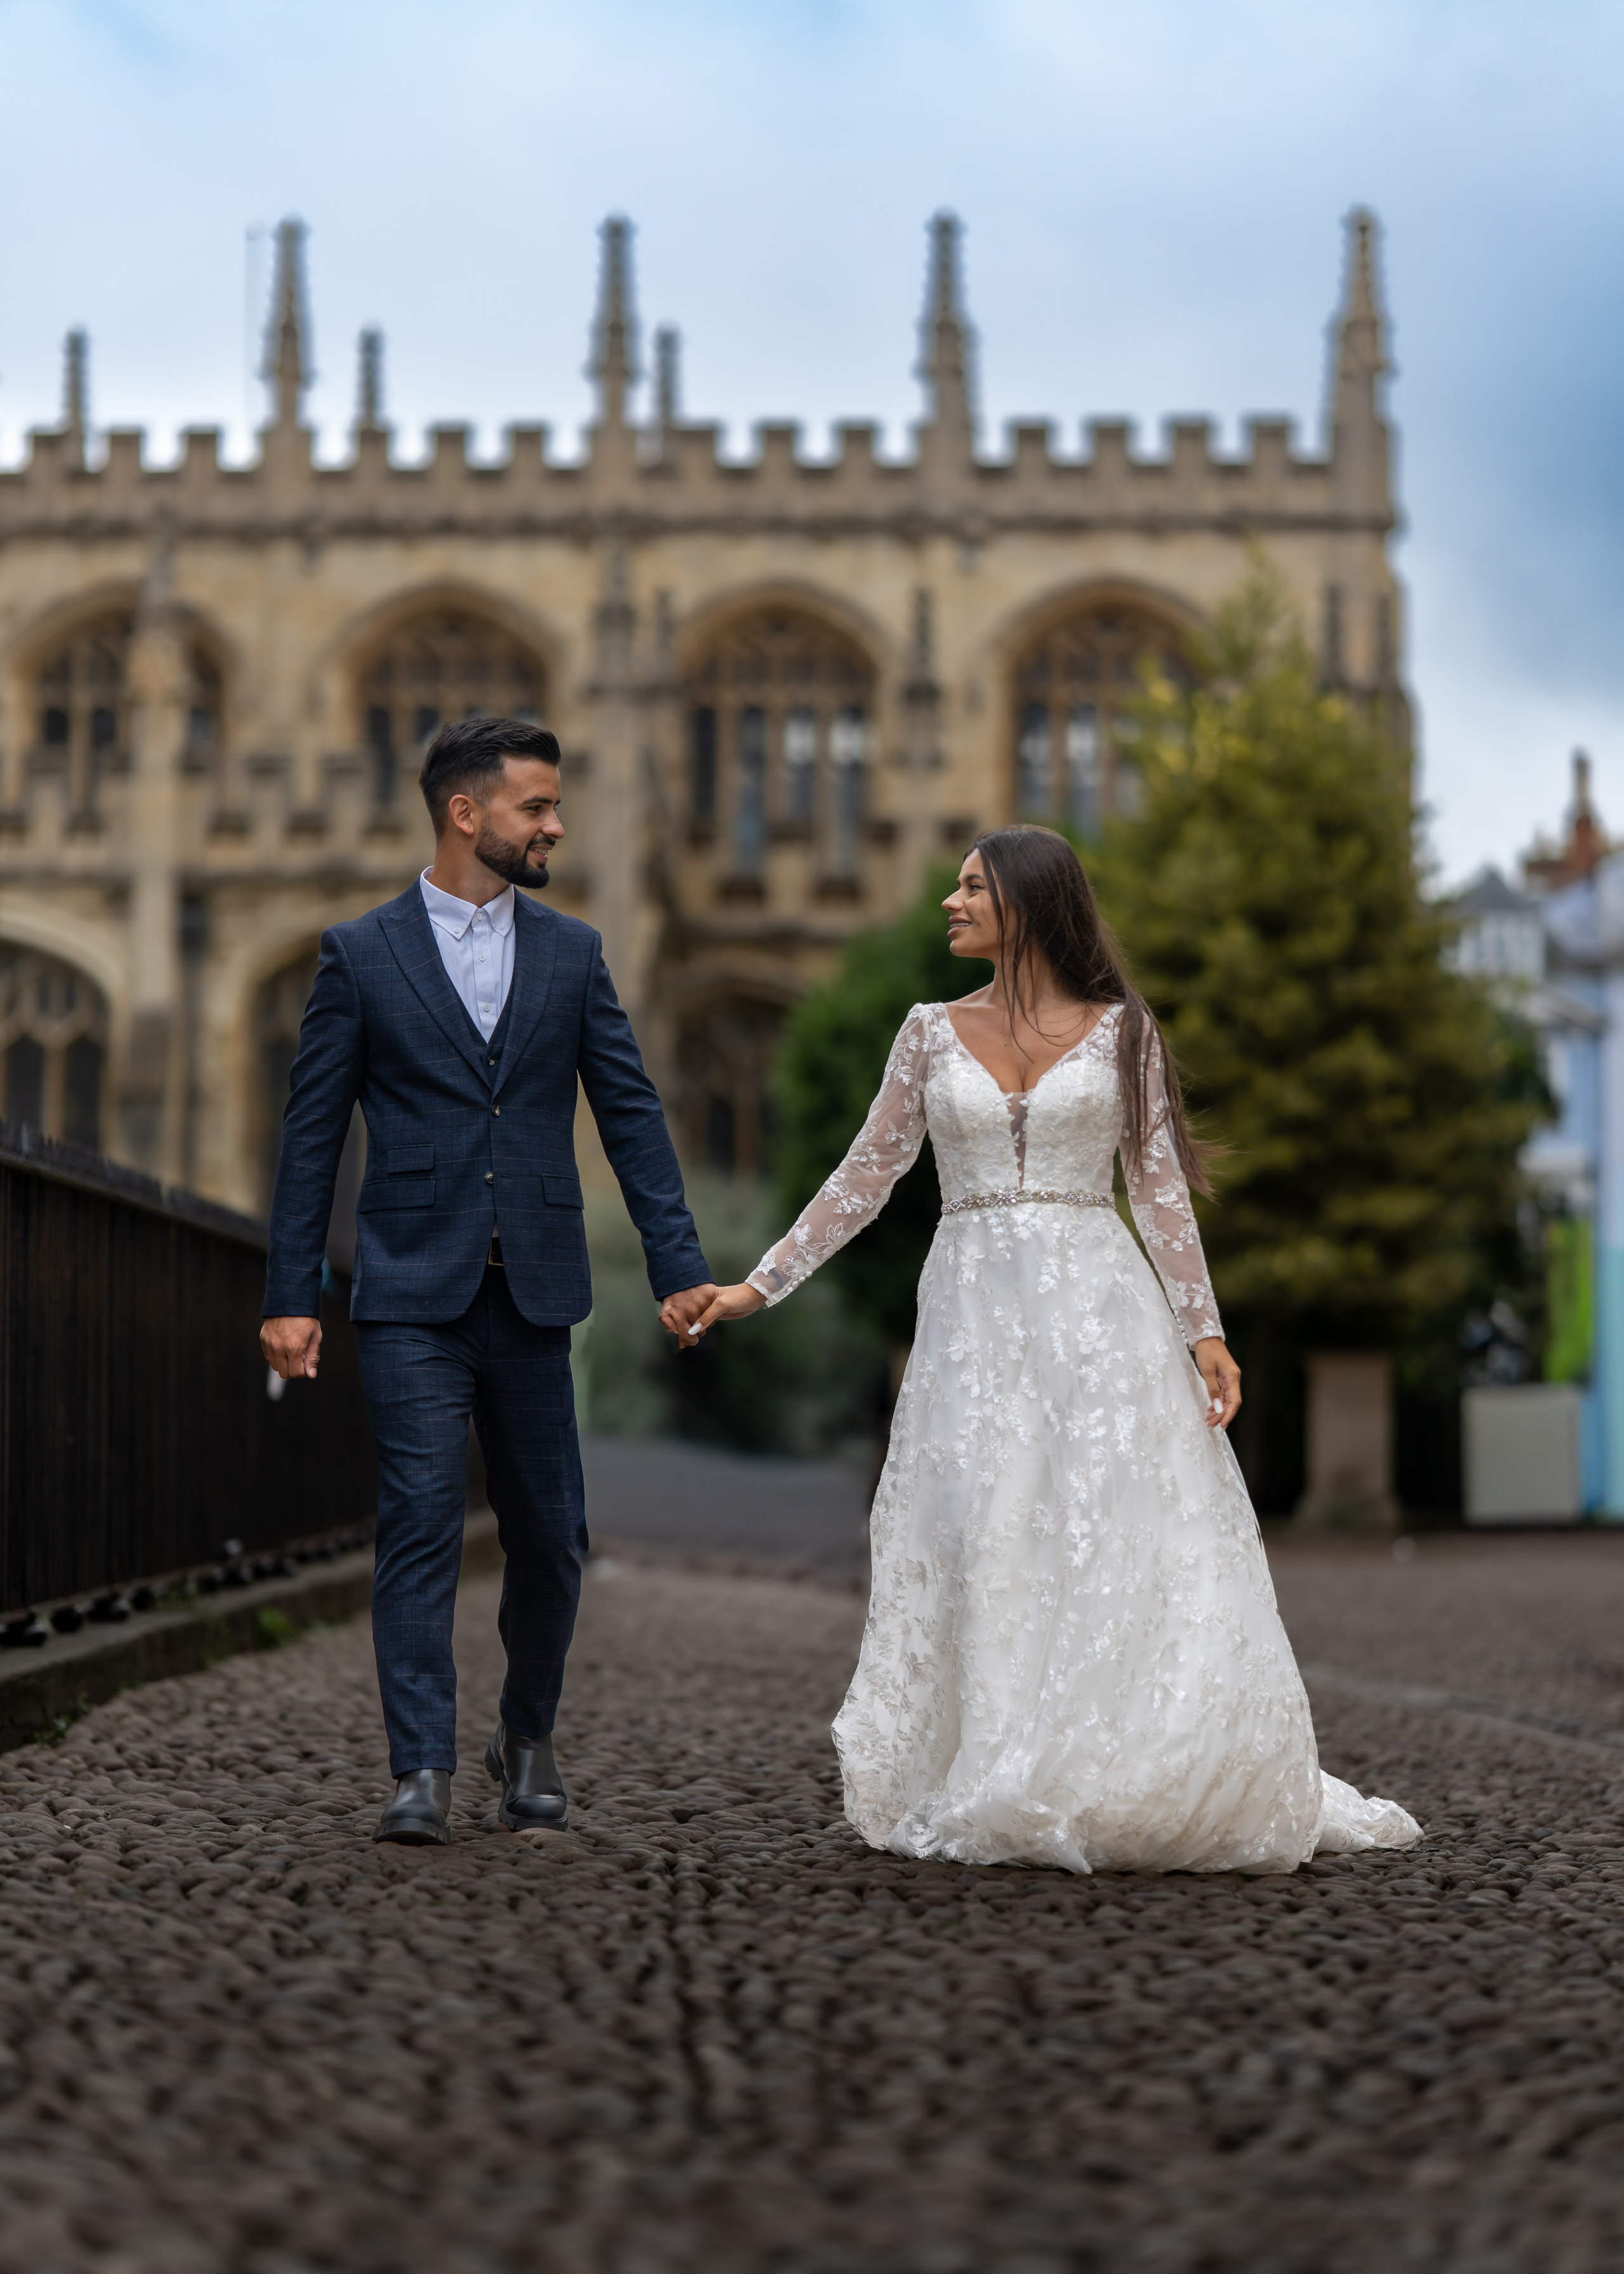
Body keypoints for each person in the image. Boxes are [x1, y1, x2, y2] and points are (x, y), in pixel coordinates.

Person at [687, 826, 1420, 1874]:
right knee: (990, 1525)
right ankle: (1001, 1757)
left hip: (1098, 1304)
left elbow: (1159, 1191)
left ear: (1027, 905)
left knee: (1106, 1523)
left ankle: (1119, 1761)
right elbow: (865, 1176)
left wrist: (1202, 1330)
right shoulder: (926, 1033)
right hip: (975, 1315)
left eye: (972, 886)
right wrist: (759, 1284)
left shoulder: (1128, 1035)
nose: (950, 900)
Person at [261, 717, 716, 1848]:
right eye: (537, 808)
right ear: (468, 814)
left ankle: (528, 1733)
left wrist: (681, 1267)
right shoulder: (357, 955)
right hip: (411, 1287)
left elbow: (633, 1118)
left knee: (554, 1535)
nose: (557, 824)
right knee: (418, 1520)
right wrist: (290, 1293)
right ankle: (420, 1764)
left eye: (555, 808)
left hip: (535, 1286)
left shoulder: (574, 954)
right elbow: (310, 1137)